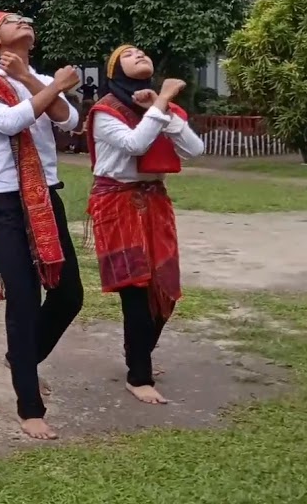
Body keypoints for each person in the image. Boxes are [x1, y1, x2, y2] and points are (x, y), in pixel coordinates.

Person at [0, 10, 83, 441]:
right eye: (12, 20)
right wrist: (54, 87)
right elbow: (12, 122)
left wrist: (34, 81)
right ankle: (29, 406)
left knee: (69, 294)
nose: (24, 21)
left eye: (26, 18)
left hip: (45, 195)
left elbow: (70, 121)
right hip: (5, 199)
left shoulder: (39, 78)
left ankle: (22, 356)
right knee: (25, 299)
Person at [87, 45, 204, 405]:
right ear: (114, 69)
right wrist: (163, 100)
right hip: (118, 203)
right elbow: (135, 145)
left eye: (141, 52)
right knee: (135, 290)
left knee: (164, 288)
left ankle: (139, 354)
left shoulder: (158, 108)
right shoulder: (105, 110)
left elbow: (194, 149)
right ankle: (139, 375)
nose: (138, 55)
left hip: (155, 202)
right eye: (128, 54)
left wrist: (163, 108)